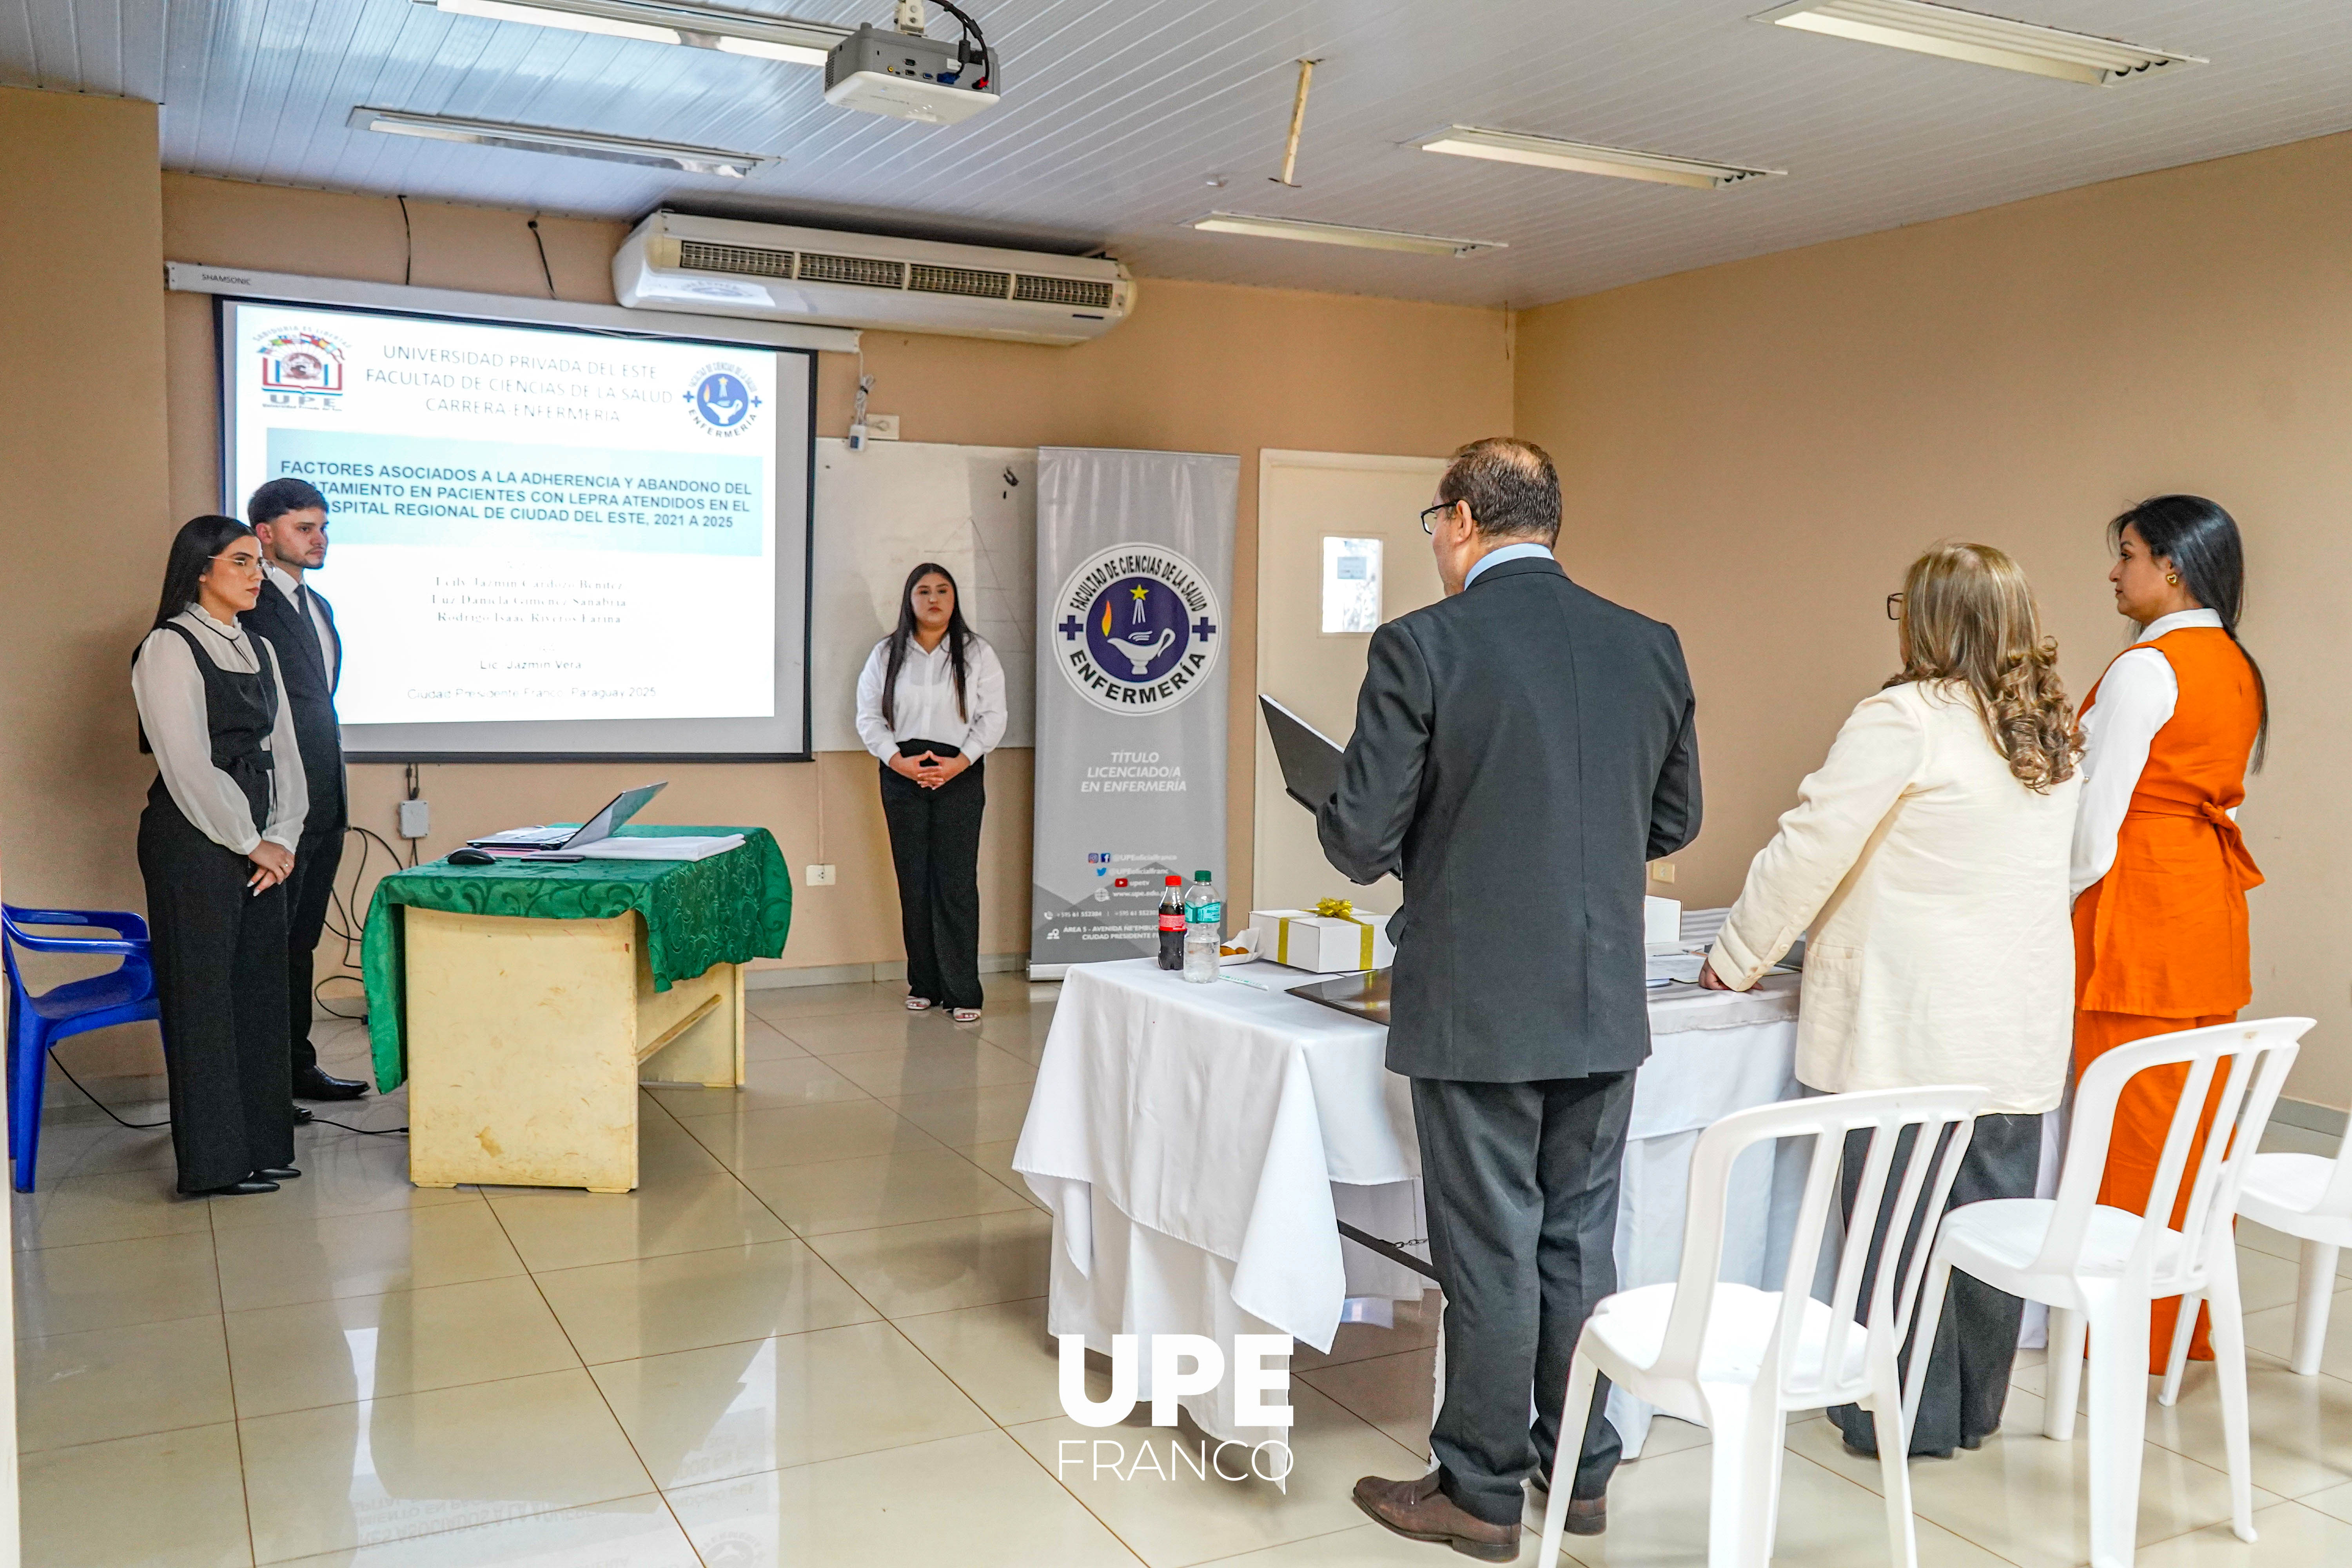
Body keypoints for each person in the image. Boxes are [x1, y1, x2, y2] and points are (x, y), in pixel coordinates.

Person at [1324, 437, 1700, 1561]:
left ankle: (1480, 1492)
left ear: (1464, 521)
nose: (1434, 539)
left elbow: (1358, 838)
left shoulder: (1421, 647)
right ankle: (1578, 1472)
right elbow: (1670, 824)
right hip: (1601, 1001)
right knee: (1576, 1241)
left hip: (1478, 1002)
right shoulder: (1649, 645)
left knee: (1490, 1248)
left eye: (1434, 520)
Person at [1699, 542, 2080, 1457]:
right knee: (1982, 1231)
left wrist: (1738, 954)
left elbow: (1809, 846)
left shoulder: (1904, 717)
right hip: (2014, 1019)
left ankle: (1897, 1415)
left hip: (1916, 1027)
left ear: (1929, 620)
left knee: (1898, 1225)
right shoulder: (2051, 734)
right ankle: (1971, 1411)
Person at [2070, 495, 2267, 1372]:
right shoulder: (2237, 665)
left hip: (2140, 906)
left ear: (2174, 567)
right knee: (2195, 1124)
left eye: (2130, 554)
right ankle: (2183, 1323)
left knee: (2131, 1121)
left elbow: (2093, 819)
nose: (2117, 571)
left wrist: (2044, 901)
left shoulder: (2146, 670)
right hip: (2208, 905)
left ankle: (2128, 1335)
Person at [132, 515, 308, 1196]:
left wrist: (284, 839)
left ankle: (262, 1146)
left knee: (260, 991)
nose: (255, 573)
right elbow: (186, 764)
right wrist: (249, 840)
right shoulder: (168, 647)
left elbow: (285, 755)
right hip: (195, 843)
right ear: (200, 570)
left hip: (264, 843)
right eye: (241, 562)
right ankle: (213, 1165)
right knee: (204, 999)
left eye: (257, 563)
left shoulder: (259, 647)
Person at [241, 478, 367, 1105]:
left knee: (301, 944)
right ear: (265, 533)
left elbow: (320, 708)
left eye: (323, 527)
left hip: (327, 801)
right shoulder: (249, 603)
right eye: (304, 528)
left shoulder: (320, 607)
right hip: (278, 811)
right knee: (269, 947)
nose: (320, 540)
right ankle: (265, 1087)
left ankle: (297, 1069)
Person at [856, 562, 1006, 1024]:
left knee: (956, 882)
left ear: (955, 599)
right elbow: (868, 717)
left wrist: (959, 762)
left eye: (943, 590)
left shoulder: (978, 653)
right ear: (910, 600)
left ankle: (964, 991)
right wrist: (897, 761)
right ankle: (924, 982)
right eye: (924, 591)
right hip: (902, 773)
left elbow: (993, 717)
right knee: (914, 881)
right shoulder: (886, 654)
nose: (934, 598)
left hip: (959, 770)